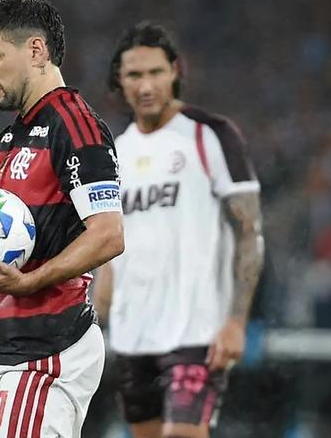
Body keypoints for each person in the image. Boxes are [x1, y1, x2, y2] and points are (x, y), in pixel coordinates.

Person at [0, 0, 125, 437]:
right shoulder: (9, 138)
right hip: (10, 352)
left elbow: (109, 234)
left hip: (48, 351)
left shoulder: (75, 125)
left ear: (35, 51)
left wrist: (30, 282)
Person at [93, 22, 265, 438]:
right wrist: (96, 315)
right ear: (119, 80)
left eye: (156, 72)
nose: (146, 85)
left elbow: (249, 231)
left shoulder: (210, 135)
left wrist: (236, 322)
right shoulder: (114, 152)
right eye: (135, 75)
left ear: (175, 71)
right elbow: (112, 242)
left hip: (197, 330)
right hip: (133, 332)